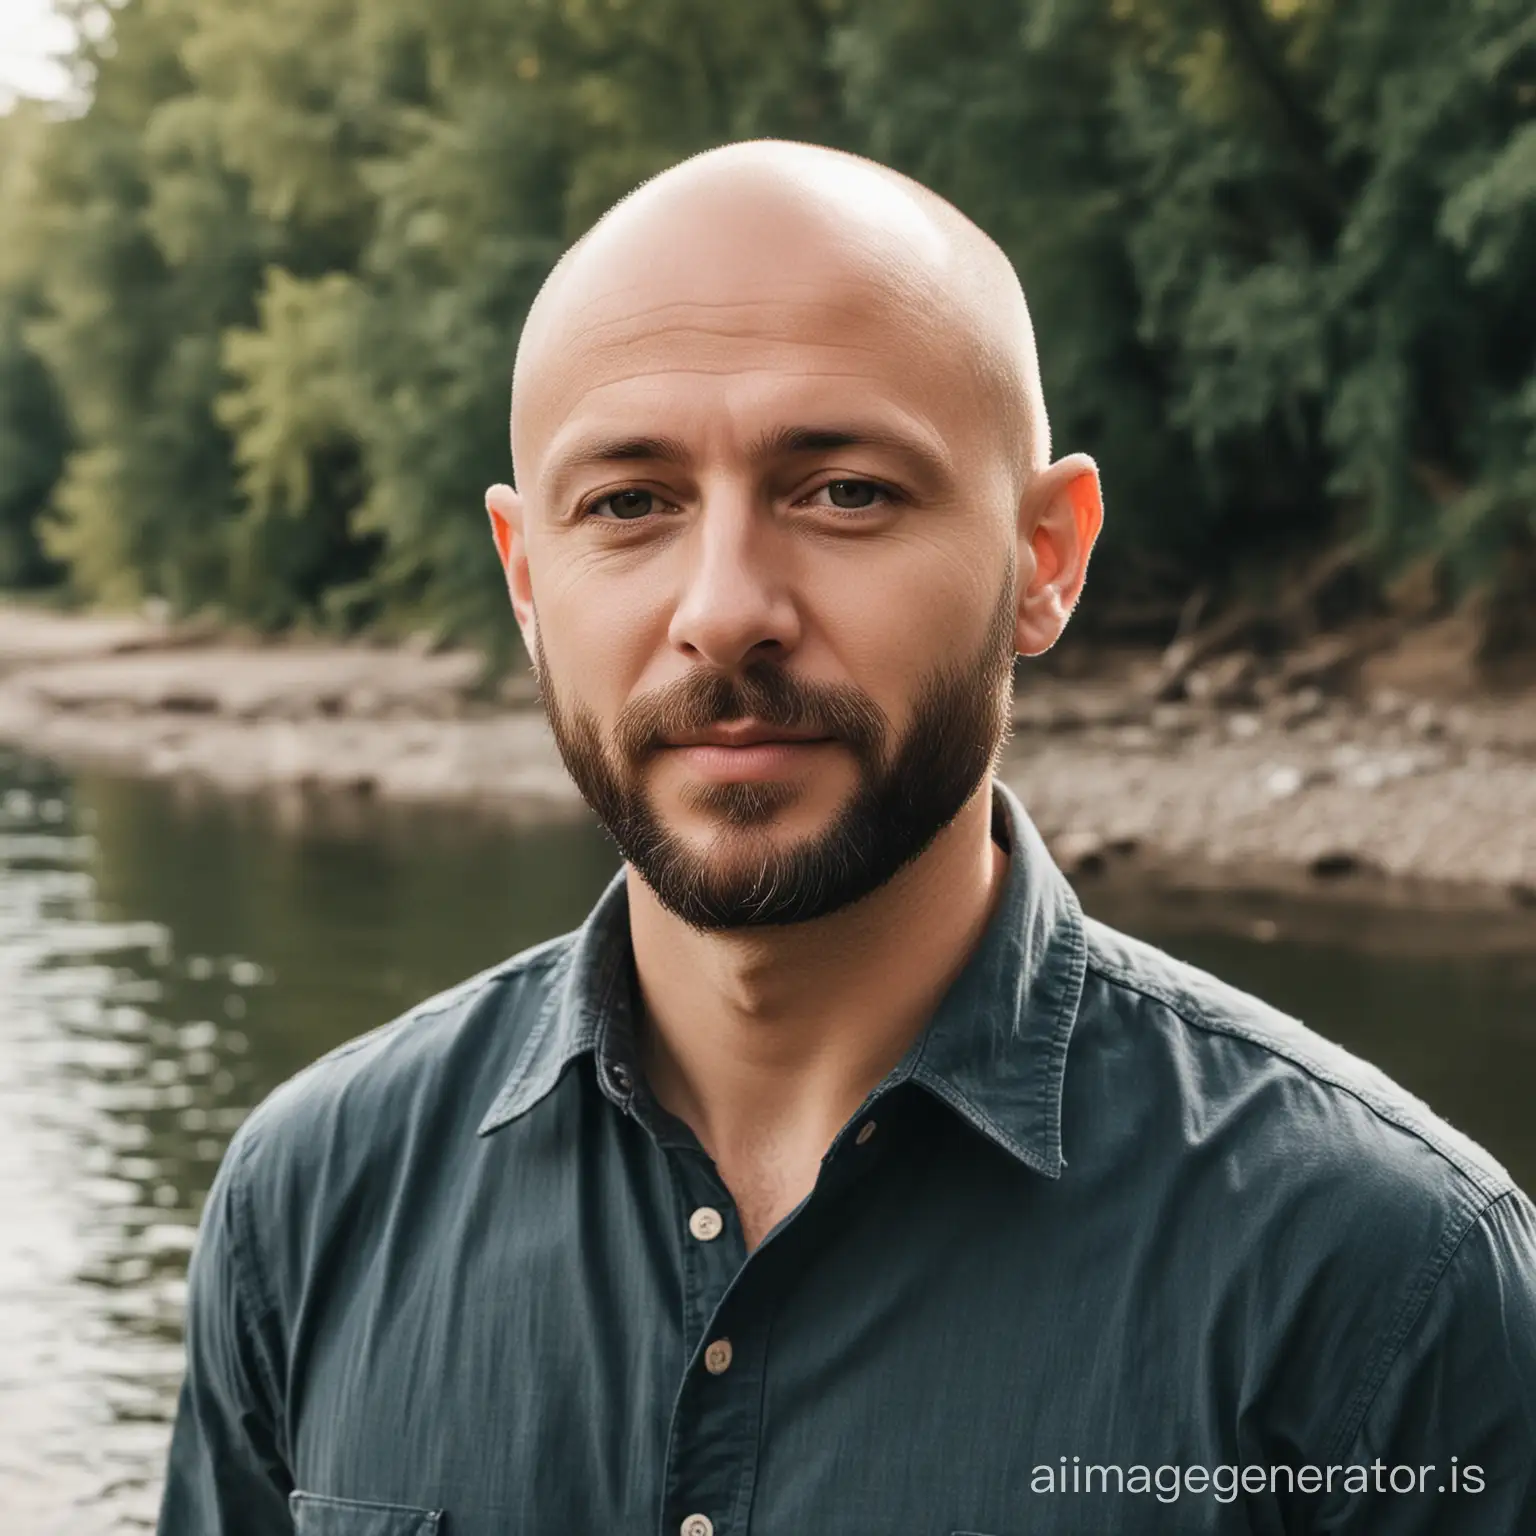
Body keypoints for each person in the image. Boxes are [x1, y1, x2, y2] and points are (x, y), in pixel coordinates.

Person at [157, 140, 1536, 1536]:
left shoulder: (1390, 1277)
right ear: (526, 578)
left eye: (847, 492)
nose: (726, 609)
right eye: (630, 504)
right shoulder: (311, 1201)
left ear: (1043, 558)